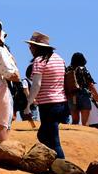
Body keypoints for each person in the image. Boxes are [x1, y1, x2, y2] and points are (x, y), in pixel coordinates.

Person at [27, 31, 69, 159]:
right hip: (61, 103)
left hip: (48, 105)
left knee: (53, 140)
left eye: (31, 46)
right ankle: (53, 161)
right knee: (45, 135)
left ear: (37, 47)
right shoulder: (59, 58)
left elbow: (36, 85)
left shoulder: (39, 61)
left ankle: (62, 165)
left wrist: (28, 104)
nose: (30, 48)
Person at [65, 52, 98, 126]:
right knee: (85, 123)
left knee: (75, 121)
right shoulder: (83, 69)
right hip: (83, 96)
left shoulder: (68, 69)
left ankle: (74, 136)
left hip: (72, 96)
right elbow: (91, 85)